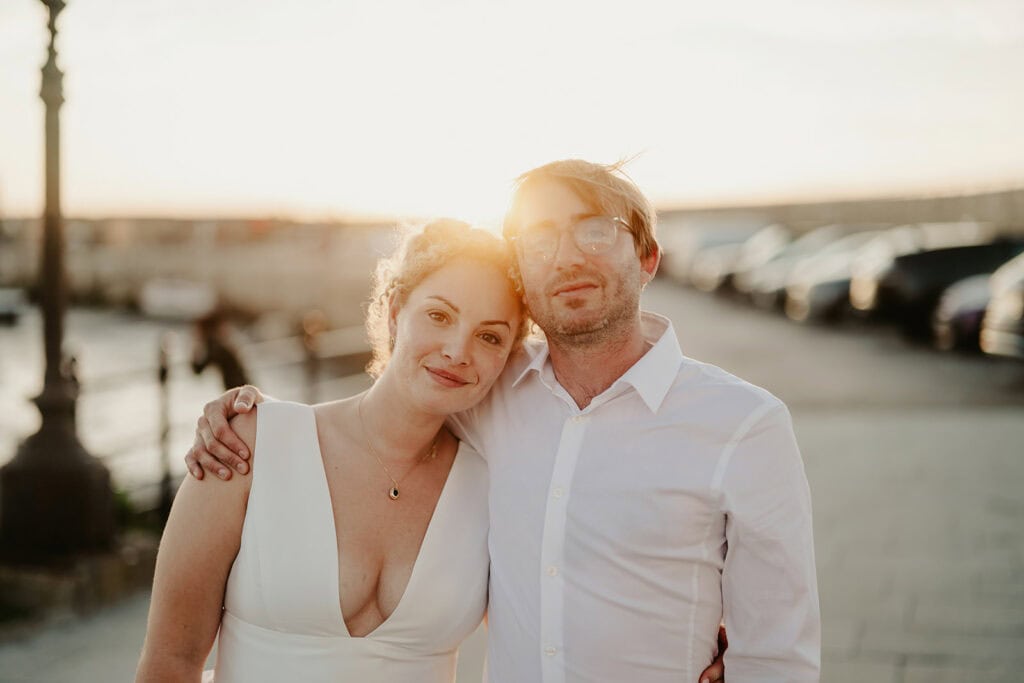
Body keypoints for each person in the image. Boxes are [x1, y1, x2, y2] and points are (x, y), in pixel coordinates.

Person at [188, 160, 816, 682]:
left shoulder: (745, 425)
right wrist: (246, 410)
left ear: (648, 257)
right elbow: (395, 405)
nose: (566, 256)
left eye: (594, 230)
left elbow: (778, 652)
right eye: (540, 238)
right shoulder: (488, 397)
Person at [136, 220, 528, 682]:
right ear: (395, 313)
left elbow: (545, 636)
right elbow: (171, 661)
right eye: (439, 315)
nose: (458, 351)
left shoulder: (496, 484)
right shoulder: (247, 445)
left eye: (490, 336)